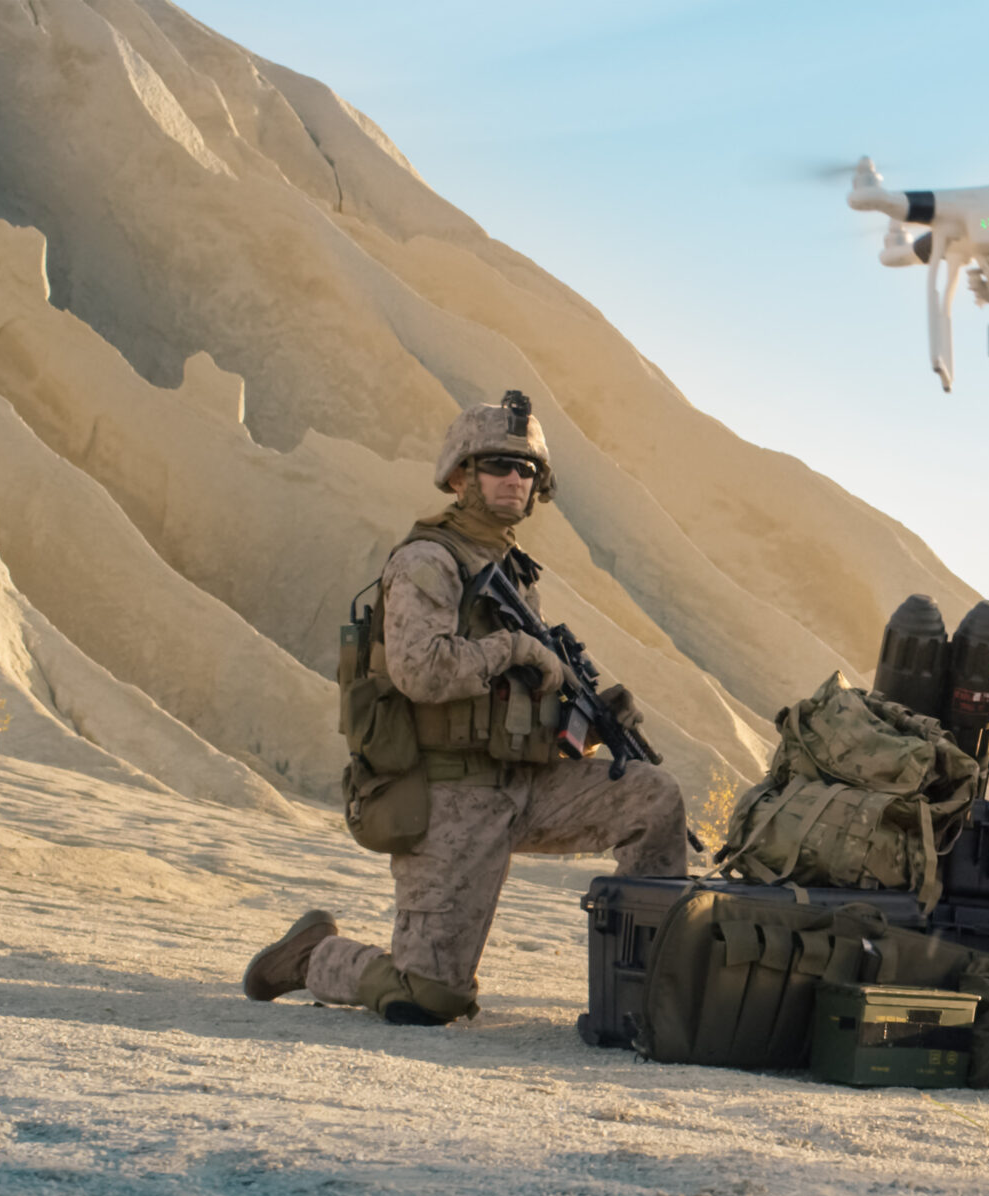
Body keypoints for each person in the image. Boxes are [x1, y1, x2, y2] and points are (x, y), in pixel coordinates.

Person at [241, 392, 687, 1024]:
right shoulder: (429, 561)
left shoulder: (511, 570)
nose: (514, 479)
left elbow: (512, 703)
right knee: (430, 997)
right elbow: (419, 670)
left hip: (523, 785)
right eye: (496, 465)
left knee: (653, 797)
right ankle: (314, 954)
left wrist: (584, 718)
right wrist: (513, 647)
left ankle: (654, 986)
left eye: (526, 469)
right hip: (450, 795)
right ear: (459, 475)